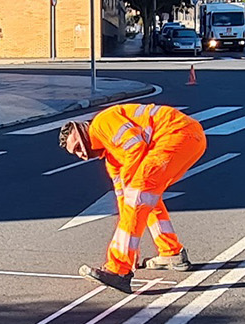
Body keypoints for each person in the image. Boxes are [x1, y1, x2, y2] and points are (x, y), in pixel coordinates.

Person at [57, 103, 207, 294]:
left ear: (84, 132)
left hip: (176, 134)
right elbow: (123, 202)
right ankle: (171, 252)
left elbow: (135, 145)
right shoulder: (111, 156)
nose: (82, 155)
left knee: (138, 196)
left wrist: (131, 188)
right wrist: (132, 251)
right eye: (76, 154)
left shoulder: (102, 123)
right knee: (145, 199)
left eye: (79, 147)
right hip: (187, 137)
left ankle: (118, 269)